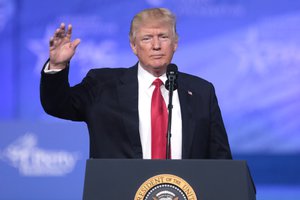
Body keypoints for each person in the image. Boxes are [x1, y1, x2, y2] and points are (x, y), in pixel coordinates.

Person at [40, 8, 232, 159]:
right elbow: (57, 105)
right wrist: (57, 65)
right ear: (133, 46)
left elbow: (220, 156)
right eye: (147, 38)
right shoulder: (102, 85)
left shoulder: (201, 92)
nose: (156, 45)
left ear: (175, 44)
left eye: (163, 37)